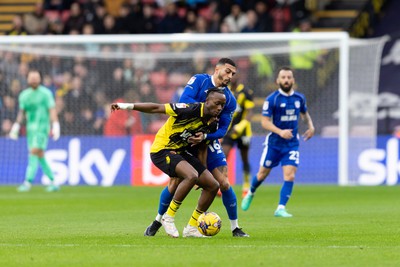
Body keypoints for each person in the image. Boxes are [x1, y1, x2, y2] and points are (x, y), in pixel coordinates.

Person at [145, 57, 249, 237]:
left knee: (222, 182)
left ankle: (234, 228)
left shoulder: (230, 100)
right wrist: (201, 118)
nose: (230, 76)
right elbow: (184, 101)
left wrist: (206, 135)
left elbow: (223, 129)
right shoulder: (199, 80)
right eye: (227, 71)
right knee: (175, 182)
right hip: (186, 138)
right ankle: (157, 221)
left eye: (233, 73)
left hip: (207, 140)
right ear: (217, 69)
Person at [111, 88, 226, 238]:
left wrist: (203, 170)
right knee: (191, 176)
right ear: (207, 102)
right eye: (217, 104)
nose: (219, 108)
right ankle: (168, 217)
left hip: (180, 152)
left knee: (212, 185)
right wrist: (128, 106)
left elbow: (203, 147)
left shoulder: (212, 124)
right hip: (162, 150)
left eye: (222, 105)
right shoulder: (189, 109)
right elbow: (156, 107)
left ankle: (191, 228)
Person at [241, 66, 315, 217]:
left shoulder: (299, 98)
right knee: (262, 174)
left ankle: (280, 208)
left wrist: (311, 126)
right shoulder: (272, 99)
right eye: (283, 77)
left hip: (292, 144)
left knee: (290, 175)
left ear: (293, 80)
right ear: (278, 80)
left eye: (289, 77)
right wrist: (280, 131)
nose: (286, 80)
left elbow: (304, 114)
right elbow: (264, 122)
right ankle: (251, 192)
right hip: (274, 144)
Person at [9, 70, 60, 192]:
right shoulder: (24, 95)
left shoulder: (46, 93)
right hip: (30, 130)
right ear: (27, 79)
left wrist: (55, 125)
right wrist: (16, 126)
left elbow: (52, 109)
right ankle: (53, 181)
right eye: (31, 78)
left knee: (33, 152)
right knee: (40, 155)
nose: (34, 80)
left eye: (36, 78)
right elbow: (22, 112)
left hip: (42, 129)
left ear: (40, 79)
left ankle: (28, 182)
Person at [222, 77, 255, 198]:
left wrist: (241, 126)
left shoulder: (246, 92)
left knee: (244, 159)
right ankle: (223, 184)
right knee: (223, 156)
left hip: (243, 132)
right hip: (229, 131)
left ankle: (246, 186)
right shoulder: (225, 91)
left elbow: (250, 112)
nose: (231, 76)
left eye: (234, 74)